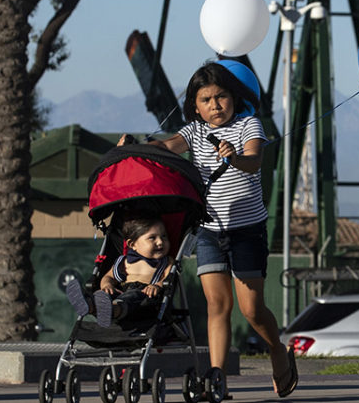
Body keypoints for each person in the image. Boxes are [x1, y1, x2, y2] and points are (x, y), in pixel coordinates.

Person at [119, 61, 298, 399]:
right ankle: (217, 382)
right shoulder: (194, 131)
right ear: (195, 105)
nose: (215, 106)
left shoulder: (249, 125)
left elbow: (254, 161)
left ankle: (277, 350)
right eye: (206, 100)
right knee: (218, 305)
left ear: (234, 97)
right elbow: (167, 146)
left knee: (252, 310)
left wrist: (232, 159)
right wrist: (133, 147)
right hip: (209, 230)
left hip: (247, 230)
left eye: (221, 97)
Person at [67, 213, 173, 329]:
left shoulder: (166, 261)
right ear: (132, 244)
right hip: (120, 291)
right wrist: (107, 285)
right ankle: (89, 305)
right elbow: (109, 277)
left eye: (164, 236)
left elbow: (169, 279)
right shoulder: (123, 261)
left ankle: (111, 310)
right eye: (152, 238)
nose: (160, 242)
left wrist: (157, 285)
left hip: (144, 298)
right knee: (103, 295)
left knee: (129, 298)